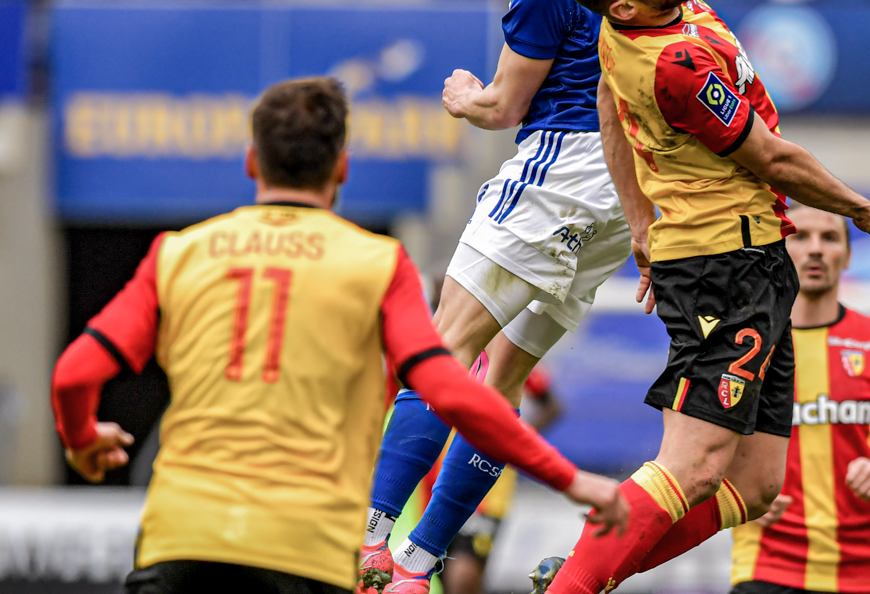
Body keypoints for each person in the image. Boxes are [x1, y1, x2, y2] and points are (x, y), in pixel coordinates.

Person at [49, 77, 627, 594]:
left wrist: (80, 440)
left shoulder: (179, 253)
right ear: (343, 167)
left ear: (252, 162)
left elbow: (74, 373)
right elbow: (450, 391)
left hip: (181, 536)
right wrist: (570, 479)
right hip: (304, 549)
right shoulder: (375, 263)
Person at [531, 0, 870, 594]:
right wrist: (860, 207)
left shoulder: (645, 16)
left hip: (755, 262)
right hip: (720, 270)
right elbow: (772, 157)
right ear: (623, 3)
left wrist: (641, 224)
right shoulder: (675, 65)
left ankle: (590, 570)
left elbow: (607, 106)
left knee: (757, 484)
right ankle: (576, 586)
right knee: (696, 467)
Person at [362, 0, 634, 594]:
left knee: (441, 351)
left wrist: (460, 95)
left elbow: (503, 107)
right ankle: (421, 561)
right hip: (621, 186)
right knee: (502, 379)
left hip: (561, 164)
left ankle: (369, 540)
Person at [730, 204, 870, 594]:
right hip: (765, 566)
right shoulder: (745, 345)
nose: (815, 249)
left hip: (860, 570)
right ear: (780, 250)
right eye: (801, 236)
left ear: (846, 256)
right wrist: (737, 491)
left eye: (829, 238)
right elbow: (699, 447)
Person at [441, 364, 564, 594]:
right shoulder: (446, 347)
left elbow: (551, 406)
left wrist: (511, 443)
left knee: (463, 574)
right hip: (435, 482)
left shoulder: (506, 352)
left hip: (485, 487)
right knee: (438, 572)